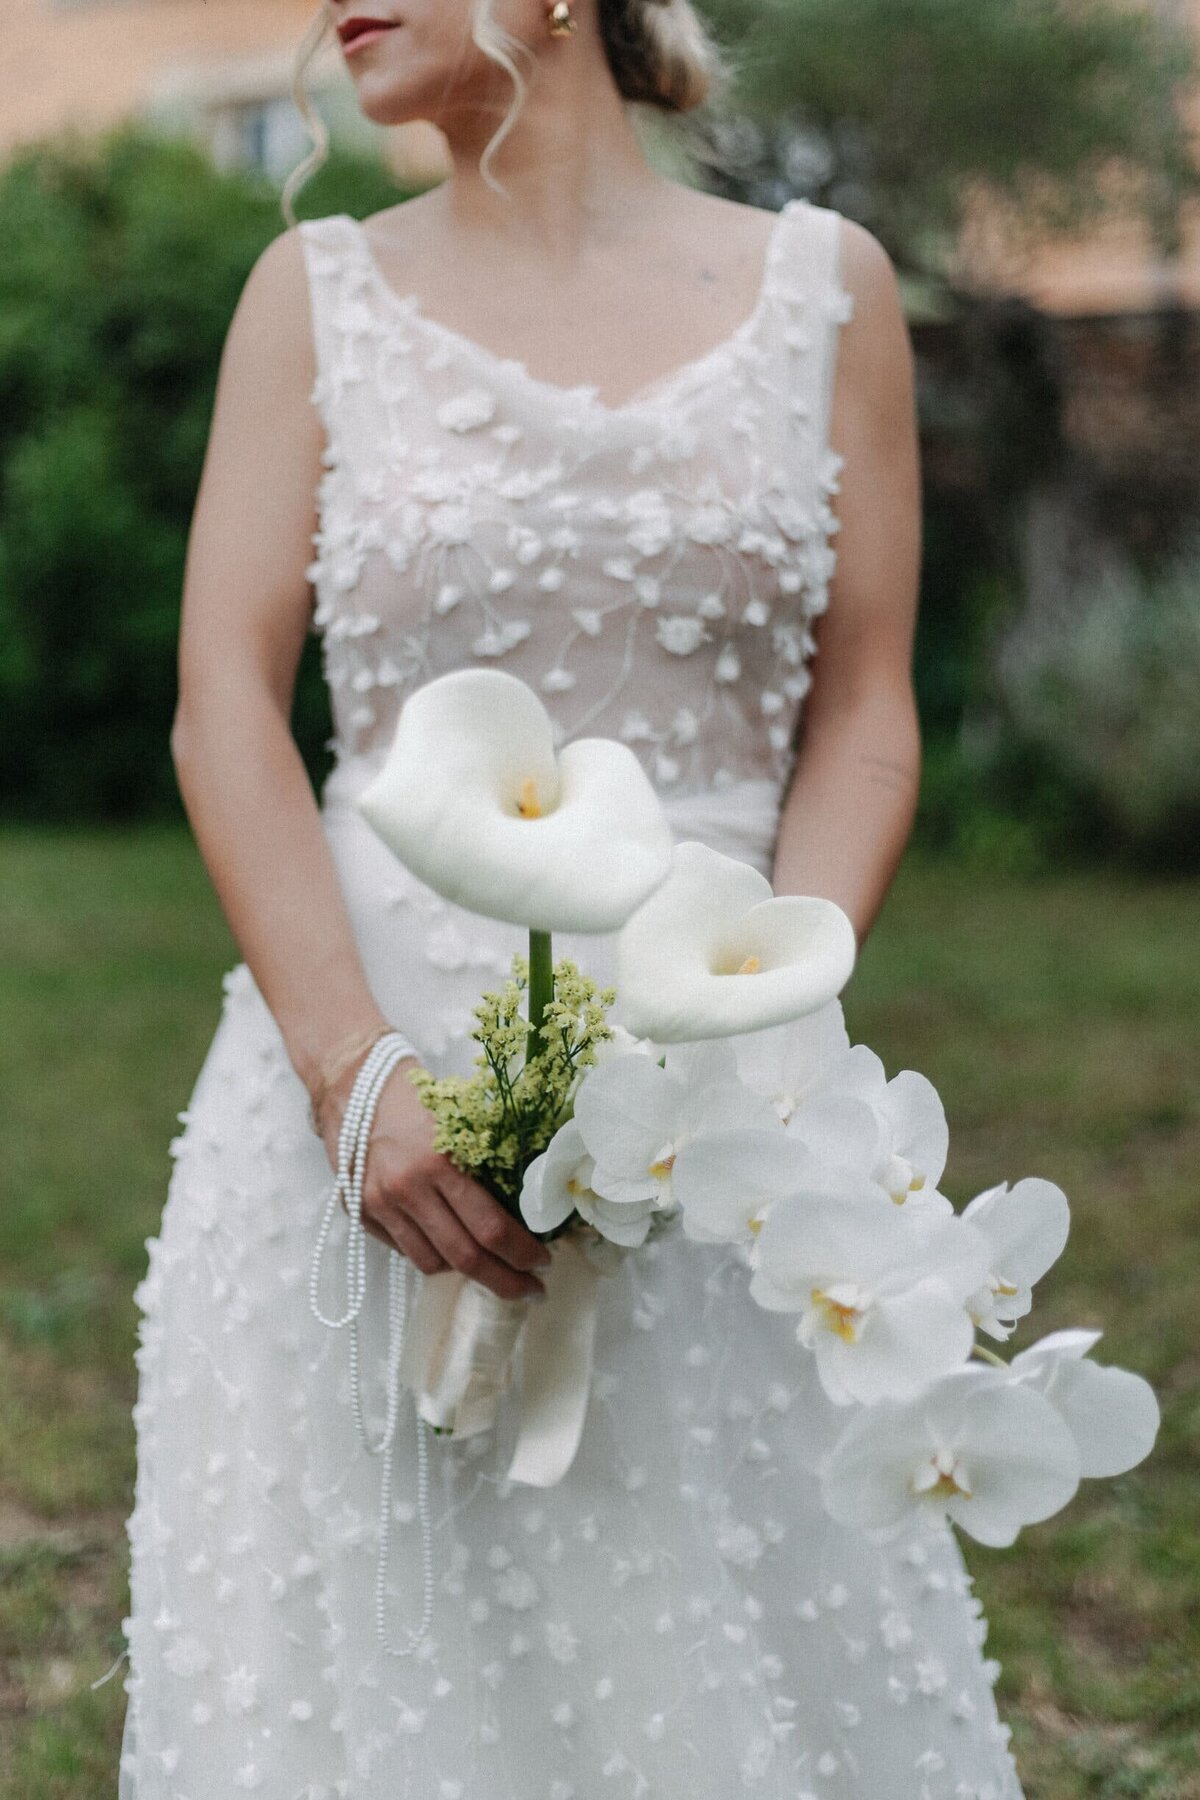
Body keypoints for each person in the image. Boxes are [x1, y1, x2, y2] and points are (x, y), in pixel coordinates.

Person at [118, 2, 1026, 1795]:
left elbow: (865, 711)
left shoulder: (826, 292)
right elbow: (225, 695)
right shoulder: (311, 294)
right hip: (362, 1077)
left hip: (718, 1102)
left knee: (720, 1618)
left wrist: (762, 1025)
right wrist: (349, 1072)